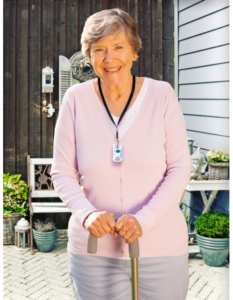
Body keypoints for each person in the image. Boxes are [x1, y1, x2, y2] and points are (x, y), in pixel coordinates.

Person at [50, 8, 192, 300]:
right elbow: (62, 172)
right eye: (98, 50)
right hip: (93, 250)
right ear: (89, 57)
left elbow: (179, 168)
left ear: (134, 52)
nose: (109, 58)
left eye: (118, 47)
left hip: (161, 247)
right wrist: (86, 213)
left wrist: (144, 219)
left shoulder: (162, 96)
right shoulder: (75, 100)